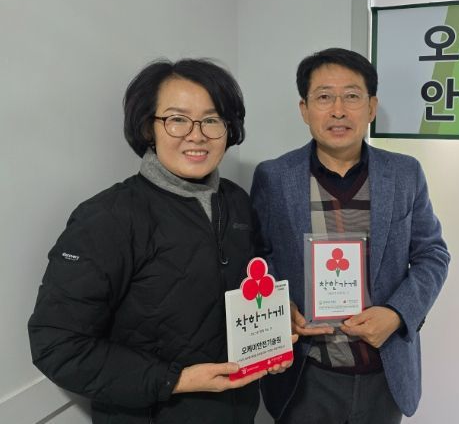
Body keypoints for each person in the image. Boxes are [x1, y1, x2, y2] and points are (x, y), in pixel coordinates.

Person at [28, 59, 286, 424]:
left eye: (212, 120)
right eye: (177, 119)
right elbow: (57, 345)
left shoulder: (236, 202)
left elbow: (244, 294)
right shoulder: (106, 218)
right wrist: (174, 380)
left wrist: (272, 334)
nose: (197, 135)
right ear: (148, 127)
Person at [251, 48, 450, 424]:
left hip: (384, 372)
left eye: (352, 96)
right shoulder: (274, 177)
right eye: (324, 97)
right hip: (306, 374)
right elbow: (260, 255)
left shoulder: (404, 174)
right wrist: (278, 308)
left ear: (371, 107)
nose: (338, 110)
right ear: (304, 109)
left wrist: (397, 313)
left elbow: (432, 255)